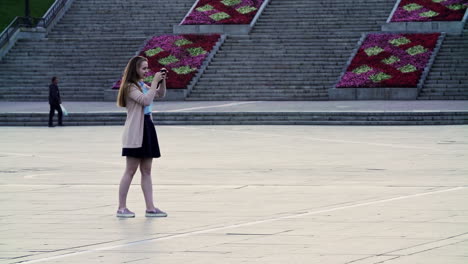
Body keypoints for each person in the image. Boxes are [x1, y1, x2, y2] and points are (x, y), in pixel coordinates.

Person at [116, 56, 168, 218]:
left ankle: (150, 207)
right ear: (135, 69)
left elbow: (159, 94)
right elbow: (145, 101)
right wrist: (153, 83)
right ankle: (121, 207)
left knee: (147, 170)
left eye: (147, 68)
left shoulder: (140, 84)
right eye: (143, 68)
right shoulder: (130, 87)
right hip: (135, 131)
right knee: (130, 170)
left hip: (147, 127)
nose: (146, 71)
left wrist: (161, 81)